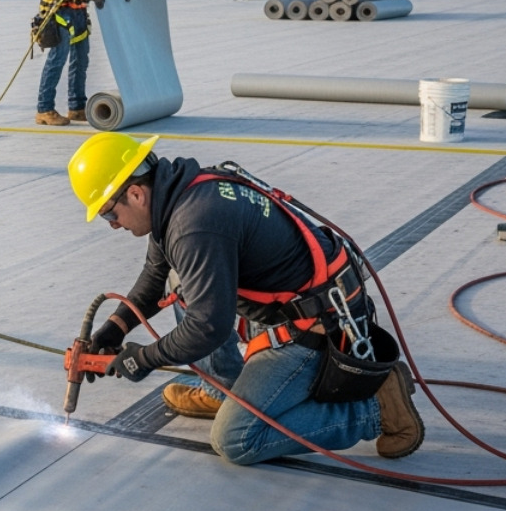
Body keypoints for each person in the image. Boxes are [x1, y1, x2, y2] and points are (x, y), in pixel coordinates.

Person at [66, 131, 423, 465]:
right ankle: (225, 391)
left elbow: (208, 327)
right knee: (183, 280)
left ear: (136, 194)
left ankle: (375, 408)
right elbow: (156, 275)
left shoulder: (194, 224)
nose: (112, 223)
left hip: (319, 326)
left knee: (236, 440)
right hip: (300, 301)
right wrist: (114, 329)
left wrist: (142, 359)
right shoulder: (179, 192)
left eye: (109, 213)